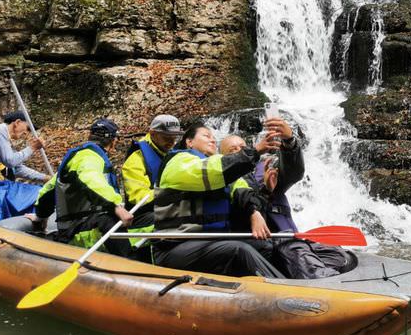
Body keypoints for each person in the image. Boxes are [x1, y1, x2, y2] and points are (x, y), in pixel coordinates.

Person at [220, 118, 355, 279]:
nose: (239, 151)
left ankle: (316, 275)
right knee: (290, 247)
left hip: (290, 241)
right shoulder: (222, 180)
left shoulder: (265, 169)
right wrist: (265, 191)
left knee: (338, 255)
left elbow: (293, 171)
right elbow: (241, 210)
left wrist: (288, 140)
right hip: (264, 246)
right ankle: (323, 283)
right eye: (232, 150)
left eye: (242, 147)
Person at [148, 122, 284, 278]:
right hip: (174, 247)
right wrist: (255, 151)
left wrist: (255, 209)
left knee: (265, 246)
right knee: (238, 250)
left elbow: (242, 191)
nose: (213, 140)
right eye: (206, 136)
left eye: (214, 137)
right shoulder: (178, 162)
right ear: (189, 142)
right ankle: (283, 292)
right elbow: (213, 171)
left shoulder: (223, 173)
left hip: (210, 243)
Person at [48, 118, 134, 257]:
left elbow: (49, 189)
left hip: (75, 226)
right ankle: (130, 264)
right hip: (79, 232)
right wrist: (115, 207)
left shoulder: (79, 158)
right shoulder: (89, 158)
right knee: (111, 220)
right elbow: (91, 180)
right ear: (113, 141)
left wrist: (40, 217)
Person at [121, 114, 183, 245]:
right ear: (153, 134)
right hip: (142, 218)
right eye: (166, 137)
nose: (171, 142)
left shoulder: (173, 153)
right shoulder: (136, 160)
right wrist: (170, 193)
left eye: (174, 137)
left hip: (167, 208)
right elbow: (138, 197)